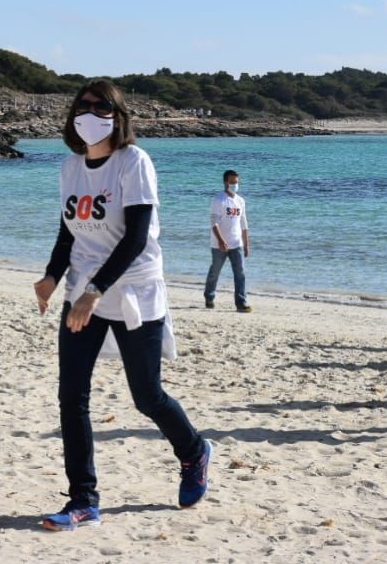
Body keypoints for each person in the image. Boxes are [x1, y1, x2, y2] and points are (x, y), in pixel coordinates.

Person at [33, 81, 212, 532]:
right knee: (71, 396)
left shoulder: (134, 162)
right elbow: (68, 233)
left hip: (133, 289)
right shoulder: (70, 167)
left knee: (146, 396)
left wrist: (96, 291)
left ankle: (193, 452)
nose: (89, 112)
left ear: (117, 115)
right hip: (83, 291)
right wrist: (52, 278)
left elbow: (135, 238)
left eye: (100, 106)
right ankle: (83, 501)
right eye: (83, 105)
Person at [204, 169, 251, 312]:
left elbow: (244, 224)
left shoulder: (240, 201)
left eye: (236, 182)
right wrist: (220, 240)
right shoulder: (219, 199)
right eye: (232, 182)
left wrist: (246, 244)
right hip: (220, 244)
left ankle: (241, 302)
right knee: (215, 271)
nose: (235, 184)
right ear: (225, 182)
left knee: (240, 273)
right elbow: (214, 222)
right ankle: (209, 296)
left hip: (237, 243)